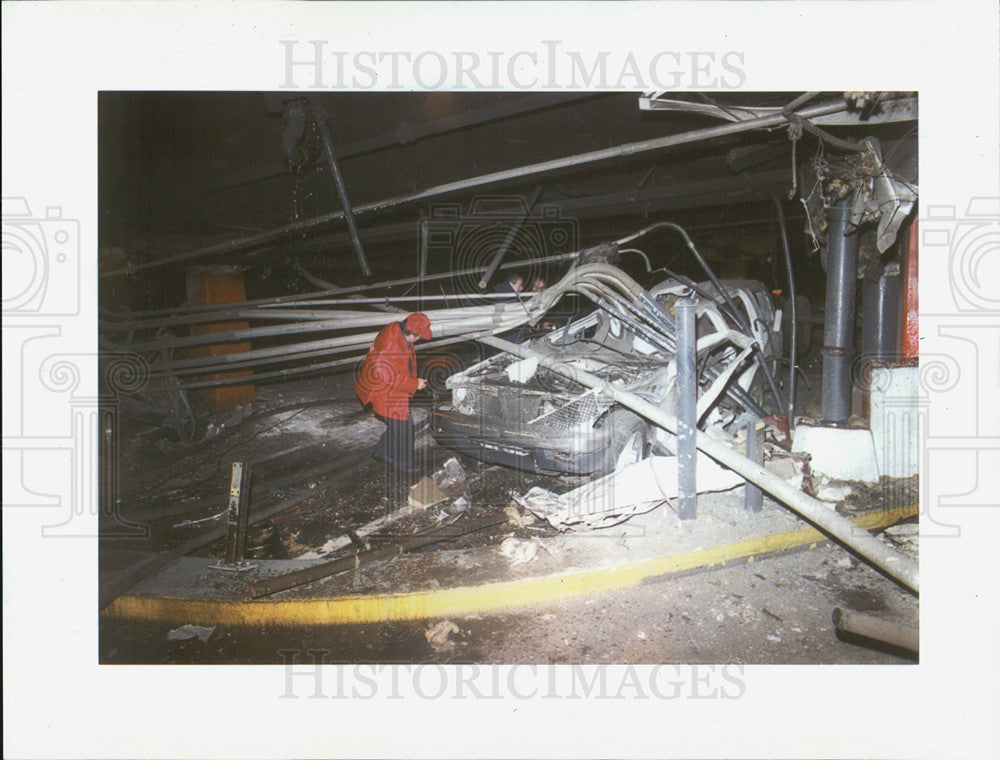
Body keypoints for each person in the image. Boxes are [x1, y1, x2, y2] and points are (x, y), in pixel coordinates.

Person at [355, 312, 432, 502]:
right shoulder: (390, 344)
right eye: (419, 336)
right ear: (411, 332)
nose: (420, 339)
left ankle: (381, 452)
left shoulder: (399, 330)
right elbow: (388, 375)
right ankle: (404, 466)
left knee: (397, 423)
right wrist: (414, 384)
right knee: (404, 427)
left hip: (390, 387)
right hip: (384, 390)